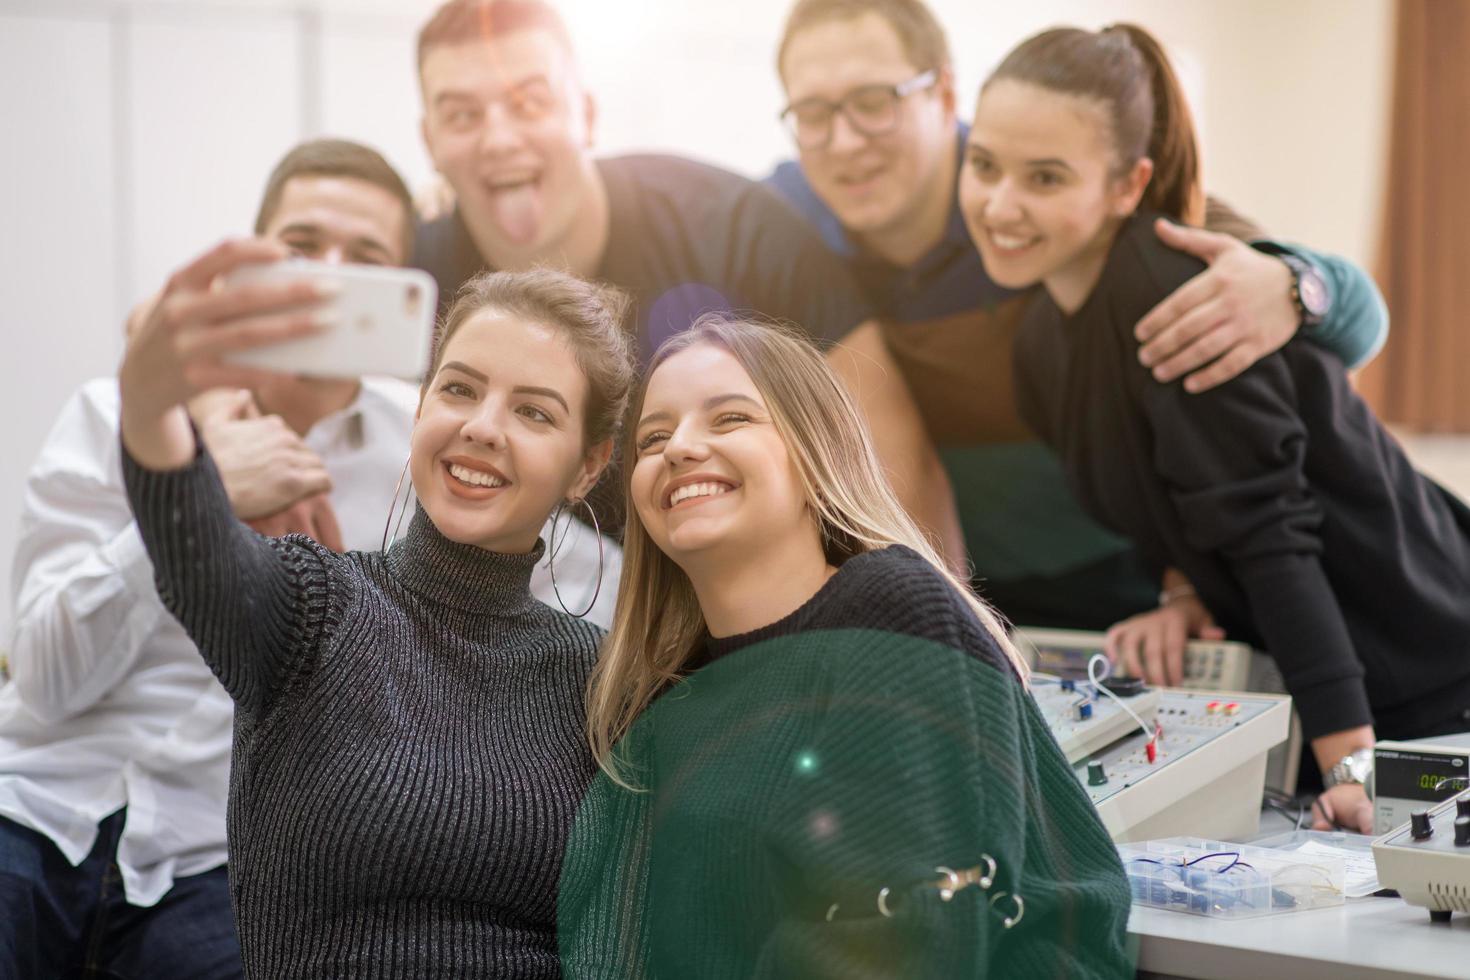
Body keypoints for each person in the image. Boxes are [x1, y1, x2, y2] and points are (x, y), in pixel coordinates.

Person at [766, 0, 1389, 677]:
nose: (845, 140)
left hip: (1160, 591)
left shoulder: (1057, 185)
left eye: (873, 101)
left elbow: (1360, 320)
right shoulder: (787, 232)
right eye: (813, 113)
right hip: (991, 598)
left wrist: (1298, 287)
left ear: (944, 93)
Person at [962, 23, 1470, 833]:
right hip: (1343, 686)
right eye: (983, 165)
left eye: (1045, 177)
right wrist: (1184, 588)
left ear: (1128, 185)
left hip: (1431, 665)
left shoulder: (1173, 302)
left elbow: (1273, 540)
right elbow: (1175, 492)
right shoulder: (1044, 342)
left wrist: (1354, 765)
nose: (1000, 204)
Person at [559, 317, 1132, 978]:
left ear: (813, 451)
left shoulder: (890, 611)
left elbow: (912, 937)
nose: (680, 448)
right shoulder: (669, 694)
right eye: (653, 436)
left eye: (730, 419)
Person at [116, 255, 635, 978]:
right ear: (421, 407)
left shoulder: (601, 680)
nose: (484, 427)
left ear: (588, 464)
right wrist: (149, 400)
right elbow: (190, 537)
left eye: (533, 412)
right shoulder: (311, 607)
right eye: (460, 389)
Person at [0, 138, 424, 980]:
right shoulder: (119, 412)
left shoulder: (423, 453)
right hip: (35, 808)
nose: (326, 277)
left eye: (365, 260)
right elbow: (43, 682)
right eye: (301, 247)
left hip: (219, 859)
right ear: (252, 265)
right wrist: (191, 495)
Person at [410, 0, 965, 567]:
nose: (499, 139)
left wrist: (911, 632)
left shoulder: (736, 227)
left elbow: (889, 461)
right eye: (462, 115)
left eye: (531, 102)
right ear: (429, 141)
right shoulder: (412, 275)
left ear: (588, 113)